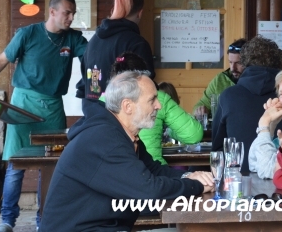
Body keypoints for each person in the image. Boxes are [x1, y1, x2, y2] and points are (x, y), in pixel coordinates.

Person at [40, 71, 213, 231]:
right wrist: (196, 185)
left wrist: (188, 176)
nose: (159, 105)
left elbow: (154, 170)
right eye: (152, 100)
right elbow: (149, 190)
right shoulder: (104, 139)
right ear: (128, 106)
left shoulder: (124, 134)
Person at [0, 0, 88, 232]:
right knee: (16, 165)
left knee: (50, 165)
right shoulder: (27, 34)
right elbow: (2, 60)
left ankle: (44, 222)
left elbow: (95, 55)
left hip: (53, 105)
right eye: (67, 12)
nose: (71, 17)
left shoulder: (73, 39)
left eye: (73, 13)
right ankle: (7, 221)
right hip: (23, 103)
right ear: (52, 12)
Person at [211, 36, 282, 173]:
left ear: (244, 63)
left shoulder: (229, 96)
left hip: (237, 179)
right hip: (280, 176)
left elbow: (217, 146)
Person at [110, 53, 202, 165]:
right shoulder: (158, 97)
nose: (157, 105)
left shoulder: (102, 101)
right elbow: (193, 135)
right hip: (154, 171)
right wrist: (170, 131)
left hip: (130, 171)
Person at [77, 0, 155, 109]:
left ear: (115, 8)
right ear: (140, 13)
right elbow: (145, 84)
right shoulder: (136, 43)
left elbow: (84, 79)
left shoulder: (94, 40)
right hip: (119, 117)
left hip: (91, 111)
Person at [192, 38, 247, 116]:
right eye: (230, 62)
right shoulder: (219, 80)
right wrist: (200, 110)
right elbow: (200, 104)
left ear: (249, 62)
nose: (232, 68)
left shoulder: (256, 81)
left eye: (238, 63)